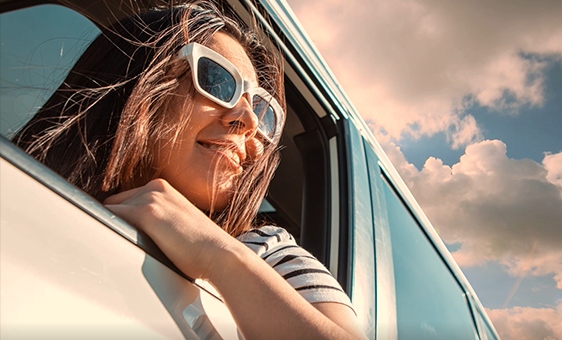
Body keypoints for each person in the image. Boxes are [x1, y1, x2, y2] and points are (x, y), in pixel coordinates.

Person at [12, 1, 365, 339]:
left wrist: (218, 254)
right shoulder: (21, 186)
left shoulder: (269, 252)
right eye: (217, 81)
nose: (248, 121)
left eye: (261, 108)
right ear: (139, 84)